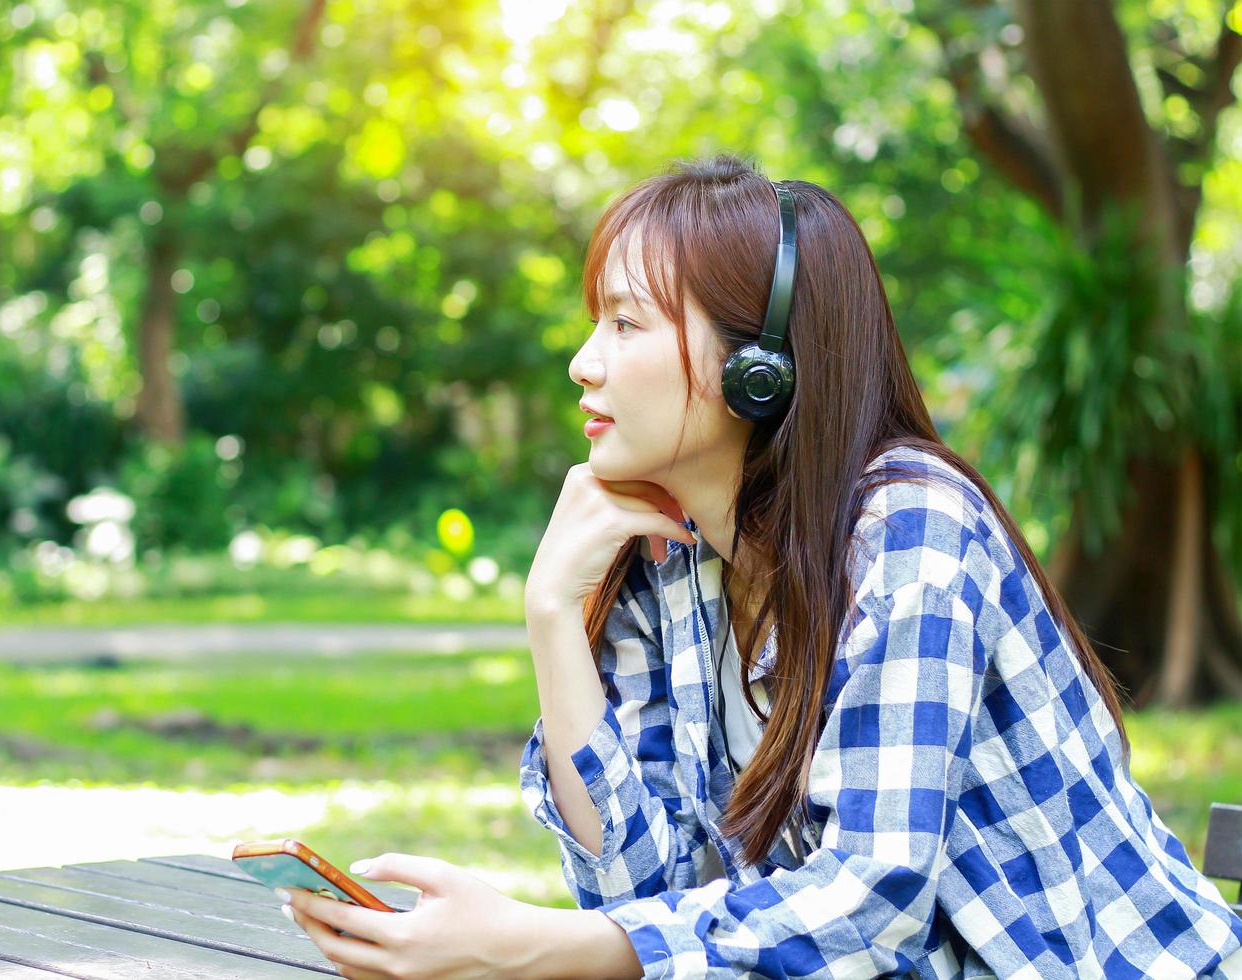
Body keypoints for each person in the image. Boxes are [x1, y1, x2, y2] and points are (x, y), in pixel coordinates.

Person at [276, 155, 1242, 978]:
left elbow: (871, 904)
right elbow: (639, 895)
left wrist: (538, 947)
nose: (583, 362)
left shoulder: (910, 531)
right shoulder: (670, 556)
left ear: (759, 370)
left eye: (626, 323)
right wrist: (550, 616)